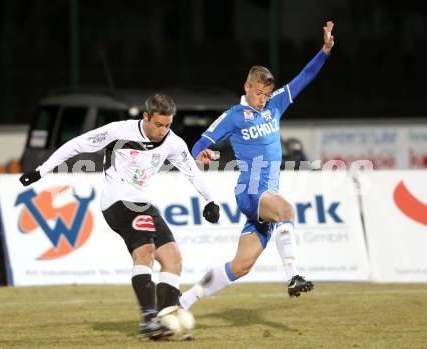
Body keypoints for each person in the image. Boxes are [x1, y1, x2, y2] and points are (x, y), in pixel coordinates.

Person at [19, 94, 221, 340]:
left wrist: (210, 200)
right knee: (145, 251)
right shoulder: (118, 131)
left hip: (143, 205)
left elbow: (191, 170)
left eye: (168, 125)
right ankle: (149, 321)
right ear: (145, 117)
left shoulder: (173, 142)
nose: (163, 131)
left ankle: (166, 321)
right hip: (117, 202)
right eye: (158, 124)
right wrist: (41, 171)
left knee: (173, 259)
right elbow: (76, 145)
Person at [180, 21, 335, 310]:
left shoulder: (275, 105)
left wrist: (324, 51)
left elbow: (305, 78)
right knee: (287, 210)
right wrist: (201, 153)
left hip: (265, 196)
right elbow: (200, 143)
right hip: (250, 190)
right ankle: (294, 276)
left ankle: (183, 301)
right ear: (246, 86)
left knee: (240, 266)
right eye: (258, 93)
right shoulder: (234, 116)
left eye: (266, 94)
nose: (262, 100)